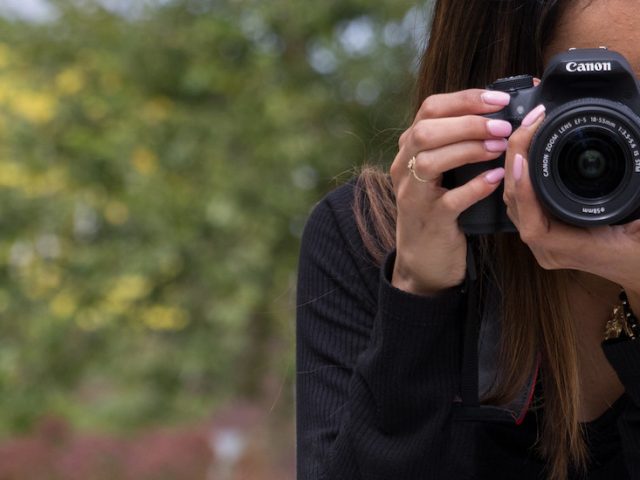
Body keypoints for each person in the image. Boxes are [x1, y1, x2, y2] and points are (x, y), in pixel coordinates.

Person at [296, 0, 640, 479]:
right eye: (594, 104)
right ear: (497, 105)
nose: (622, 139)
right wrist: (418, 293)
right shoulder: (369, 237)